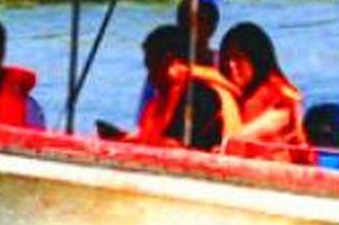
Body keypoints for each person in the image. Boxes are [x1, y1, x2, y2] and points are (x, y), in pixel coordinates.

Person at [102, 24, 241, 150]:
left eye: (152, 68)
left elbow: (176, 146)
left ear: (169, 62)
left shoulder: (200, 94)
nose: (150, 78)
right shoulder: (162, 99)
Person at [217, 22, 305, 146]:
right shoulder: (279, 87)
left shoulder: (273, 95)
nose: (230, 65)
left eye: (238, 58)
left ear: (256, 59)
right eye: (226, 58)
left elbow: (233, 143)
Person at [136, 0, 220, 120]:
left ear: (212, 28)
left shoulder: (225, 64)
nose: (190, 30)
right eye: (184, 22)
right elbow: (144, 116)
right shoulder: (160, 70)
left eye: (199, 23)